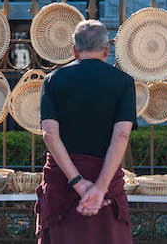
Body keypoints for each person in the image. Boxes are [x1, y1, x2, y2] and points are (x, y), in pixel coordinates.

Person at [36, 19, 137, 244]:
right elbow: (121, 135)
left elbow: (50, 134)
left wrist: (78, 183)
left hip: (64, 183)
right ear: (107, 50)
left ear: (74, 50)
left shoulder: (53, 80)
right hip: (106, 182)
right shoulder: (124, 82)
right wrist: (100, 188)